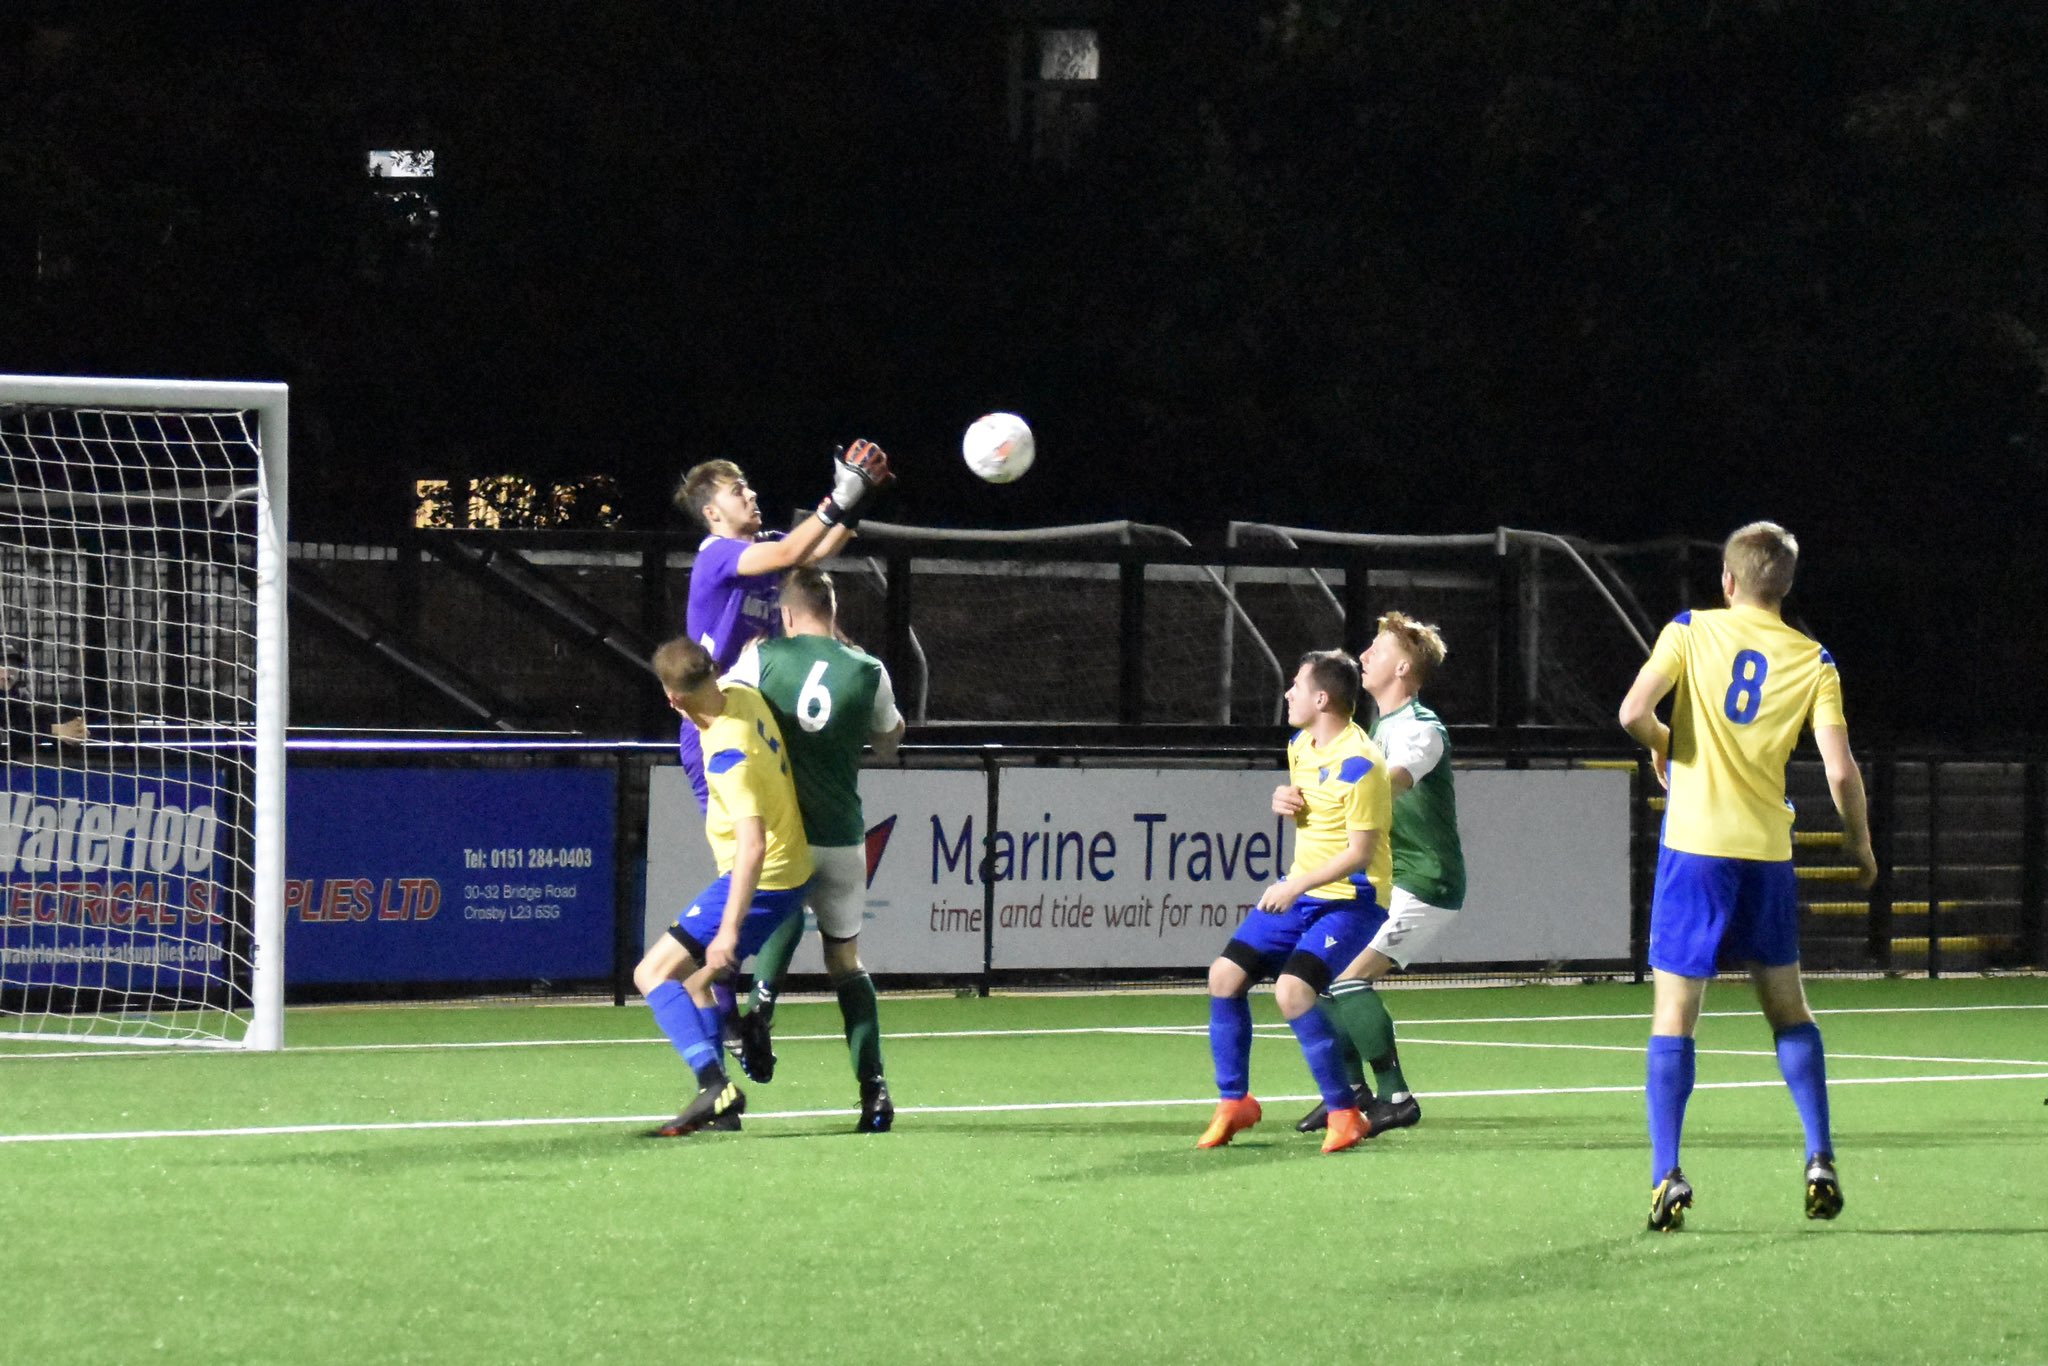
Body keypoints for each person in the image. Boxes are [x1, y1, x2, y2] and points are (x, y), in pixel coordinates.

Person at [1618, 521, 1876, 1231]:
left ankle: (1666, 1175)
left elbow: (1633, 711)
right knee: (1790, 1011)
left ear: (1727, 581)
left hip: (1696, 848)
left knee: (1675, 1018)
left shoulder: (1691, 629)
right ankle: (1820, 1156)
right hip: (1767, 851)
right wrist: (1860, 845)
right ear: (1785, 586)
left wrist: (1665, 744)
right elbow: (1840, 769)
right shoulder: (1815, 660)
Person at [724, 566, 906, 1132]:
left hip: (786, 833)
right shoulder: (869, 670)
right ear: (834, 611)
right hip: (843, 837)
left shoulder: (763, 658)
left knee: (784, 904)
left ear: (787, 612)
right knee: (845, 962)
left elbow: (723, 706)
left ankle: (761, 1014)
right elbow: (890, 740)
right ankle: (874, 1092)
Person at [1198, 649, 1395, 1155]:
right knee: (1224, 975)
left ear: (1322, 698)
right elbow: (1309, 804)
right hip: (1306, 896)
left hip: (1353, 902)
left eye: (1296, 686)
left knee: (1293, 992)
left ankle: (1345, 1113)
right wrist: (1285, 798)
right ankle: (1234, 1101)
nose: (1288, 694)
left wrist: (1294, 885)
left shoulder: (1363, 762)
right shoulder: (1300, 746)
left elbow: (1360, 853)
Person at [634, 636, 814, 1138]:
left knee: (651, 973)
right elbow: (728, 677)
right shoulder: (742, 693)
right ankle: (724, 1110)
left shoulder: (725, 754)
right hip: (790, 871)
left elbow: (752, 846)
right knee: (696, 985)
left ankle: (713, 1084)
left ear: (672, 699)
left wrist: (728, 932)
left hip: (765, 877)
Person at [1291, 611, 1462, 1138]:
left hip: (1425, 881)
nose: (1364, 656)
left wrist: (1324, 789)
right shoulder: (1369, 733)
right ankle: (1348, 1094)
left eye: (1377, 649)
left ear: (1404, 667)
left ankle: (1397, 1097)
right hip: (1386, 883)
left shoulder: (1421, 729)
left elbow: (1392, 784)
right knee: (1312, 978)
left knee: (1348, 979)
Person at [672, 440, 892, 806]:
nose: (751, 494)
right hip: (715, 724)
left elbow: (816, 551)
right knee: (748, 851)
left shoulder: (767, 545)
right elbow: (791, 553)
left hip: (757, 722)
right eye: (737, 491)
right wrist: (840, 496)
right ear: (712, 513)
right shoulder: (716, 554)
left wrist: (859, 500)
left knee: (775, 853)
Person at [1, 649, 88, 752]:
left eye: (13, 666)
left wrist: (72, 726)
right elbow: (9, 734)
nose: (7, 675)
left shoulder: (20, 694)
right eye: (2, 666)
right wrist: (55, 730)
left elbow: (31, 719)